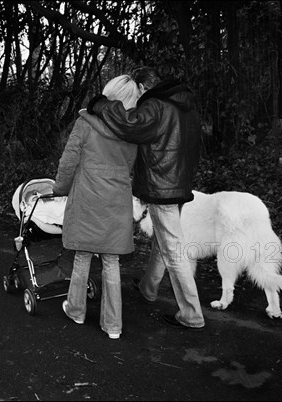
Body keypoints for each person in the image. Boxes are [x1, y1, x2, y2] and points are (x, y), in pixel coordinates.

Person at [87, 66, 205, 331]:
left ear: (141, 88)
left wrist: (102, 104)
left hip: (161, 185)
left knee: (172, 248)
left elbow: (130, 124)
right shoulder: (184, 105)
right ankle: (148, 288)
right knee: (163, 242)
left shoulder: (156, 105)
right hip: (179, 182)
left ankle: (192, 314)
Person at [52, 75, 141, 340]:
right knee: (111, 261)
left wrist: (59, 188)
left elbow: (68, 161)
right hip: (116, 201)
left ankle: (76, 310)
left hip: (88, 199)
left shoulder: (85, 123)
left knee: (82, 257)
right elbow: (129, 166)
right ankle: (113, 326)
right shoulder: (132, 131)